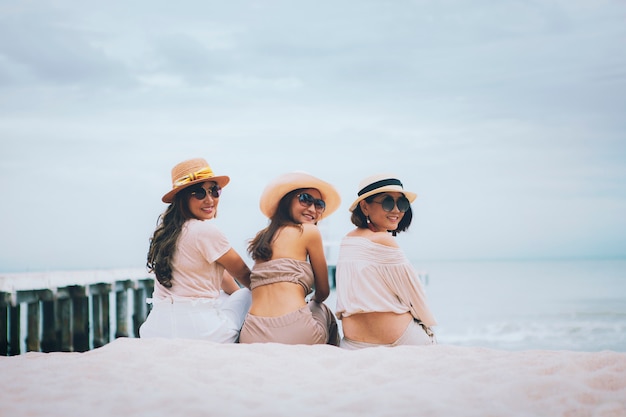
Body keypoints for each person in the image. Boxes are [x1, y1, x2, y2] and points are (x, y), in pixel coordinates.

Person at [139, 158, 252, 343]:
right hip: (201, 332)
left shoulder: (166, 234)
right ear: (183, 198)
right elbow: (245, 276)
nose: (209, 200)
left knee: (226, 296)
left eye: (214, 191)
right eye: (199, 193)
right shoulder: (206, 231)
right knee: (247, 294)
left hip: (156, 329)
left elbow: (222, 276)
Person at [334, 173, 437, 349]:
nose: (397, 210)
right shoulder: (384, 240)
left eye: (402, 203)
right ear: (365, 207)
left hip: (352, 343)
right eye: (388, 202)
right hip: (398, 340)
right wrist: (429, 328)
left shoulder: (347, 240)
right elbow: (416, 298)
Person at [239, 172, 341, 345]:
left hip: (252, 333)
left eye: (319, 204)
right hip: (295, 329)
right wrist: (310, 301)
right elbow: (323, 291)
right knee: (322, 310)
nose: (312, 209)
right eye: (305, 199)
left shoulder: (262, 237)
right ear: (287, 201)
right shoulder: (309, 231)